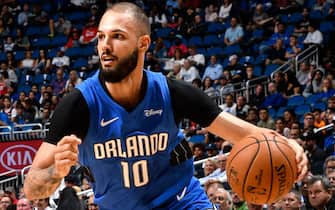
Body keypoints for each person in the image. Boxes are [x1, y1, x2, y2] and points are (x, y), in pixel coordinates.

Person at [23, 2, 307, 210]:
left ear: (143, 43)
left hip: (183, 202)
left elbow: (248, 134)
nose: (104, 46)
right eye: (101, 37)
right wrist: (55, 173)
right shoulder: (78, 106)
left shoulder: (173, 93)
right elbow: (32, 186)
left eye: (118, 36)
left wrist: (289, 144)